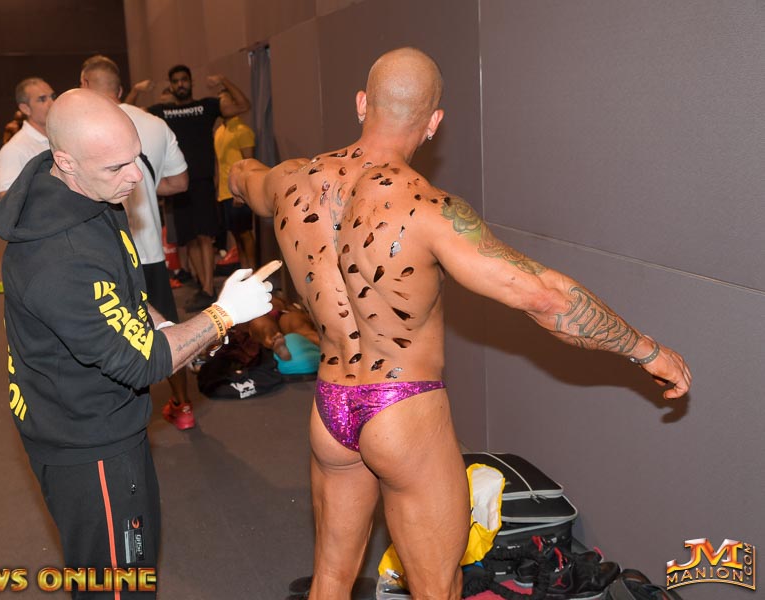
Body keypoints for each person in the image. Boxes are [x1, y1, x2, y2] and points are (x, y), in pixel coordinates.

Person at [229, 47, 692, 600]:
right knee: (437, 589)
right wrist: (646, 350)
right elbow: (546, 299)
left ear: (361, 103)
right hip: (402, 409)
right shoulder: (431, 209)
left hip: (331, 405)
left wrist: (237, 174)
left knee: (330, 578)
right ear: (433, 123)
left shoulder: (290, 181)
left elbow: (245, 177)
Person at [0, 88, 274, 598]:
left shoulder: (92, 194)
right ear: (65, 162)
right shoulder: (57, 259)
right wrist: (223, 315)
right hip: (88, 442)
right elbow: (142, 363)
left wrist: (165, 326)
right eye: (117, 167)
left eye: (136, 158)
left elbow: (125, 295)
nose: (136, 177)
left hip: (101, 419)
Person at [79, 55, 200, 430]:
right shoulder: (154, 123)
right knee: (166, 329)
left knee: (105, 335)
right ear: (120, 89)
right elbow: (179, 182)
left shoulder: (79, 129)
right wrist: (143, 186)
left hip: (100, 255)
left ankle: (116, 419)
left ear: (84, 84)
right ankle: (183, 406)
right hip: (147, 252)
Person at [140, 66, 251, 311]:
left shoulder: (205, 106)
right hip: (177, 184)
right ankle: (204, 288)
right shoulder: (163, 111)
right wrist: (137, 90)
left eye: (184, 80)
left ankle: (209, 289)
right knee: (188, 239)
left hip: (201, 182)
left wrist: (224, 79)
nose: (181, 84)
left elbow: (243, 105)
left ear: (191, 82)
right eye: (176, 81)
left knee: (204, 237)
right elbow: (126, 112)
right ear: (171, 85)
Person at [0, 77, 55, 196]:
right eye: (42, 99)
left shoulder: (59, 138)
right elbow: (8, 200)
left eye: (53, 97)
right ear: (25, 108)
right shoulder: (13, 150)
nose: (52, 103)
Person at [214, 114, 257, 269]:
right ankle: (245, 271)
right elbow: (219, 165)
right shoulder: (219, 131)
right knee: (236, 235)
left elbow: (249, 164)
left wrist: (241, 191)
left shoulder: (242, 130)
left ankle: (254, 273)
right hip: (224, 192)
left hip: (239, 191)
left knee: (245, 233)